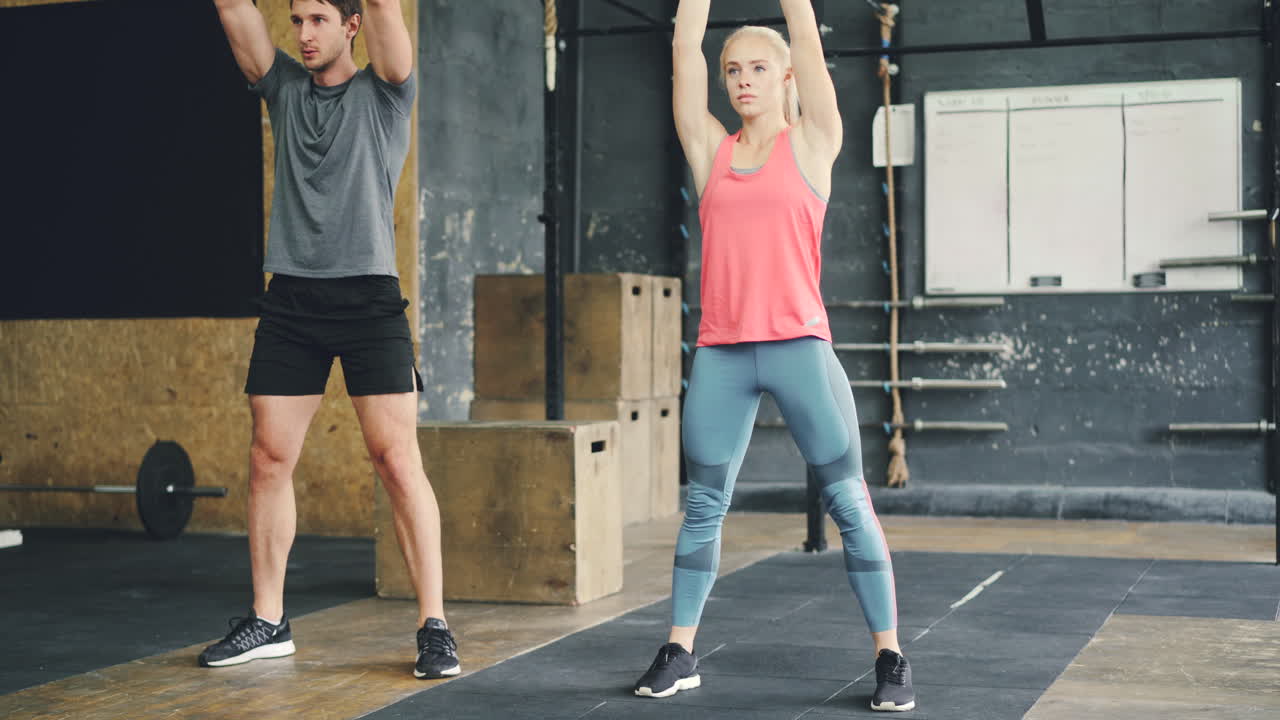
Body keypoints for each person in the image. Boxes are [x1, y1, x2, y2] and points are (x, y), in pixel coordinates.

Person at [631, 0, 914, 711]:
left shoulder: (813, 141)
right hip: (724, 353)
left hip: (797, 346)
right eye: (733, 71)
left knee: (849, 500)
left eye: (759, 68)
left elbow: (808, 41)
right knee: (703, 505)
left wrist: (796, 17)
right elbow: (684, 48)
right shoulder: (709, 150)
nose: (742, 80)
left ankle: (891, 658)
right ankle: (680, 648)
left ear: (787, 75)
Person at [201, 0, 460, 680]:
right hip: (293, 298)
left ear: (350, 25)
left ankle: (434, 625)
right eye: (297, 20)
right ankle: (268, 619)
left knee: (395, 457)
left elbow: (383, 9)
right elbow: (232, 8)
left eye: (318, 19)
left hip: (368, 297)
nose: (304, 33)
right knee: (267, 457)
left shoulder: (388, 92)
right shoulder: (284, 89)